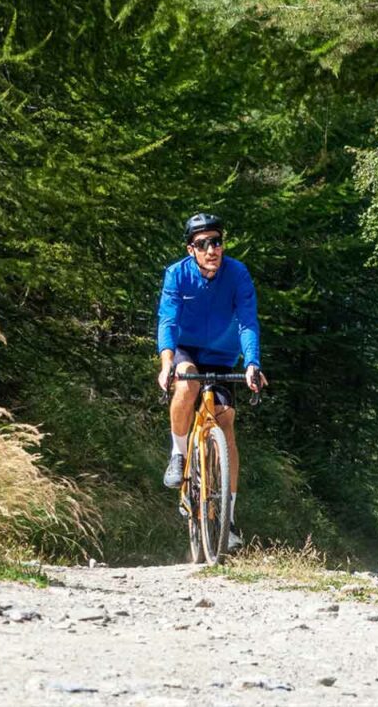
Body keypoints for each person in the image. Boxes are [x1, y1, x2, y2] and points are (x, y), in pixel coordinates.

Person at [156, 213, 265, 551]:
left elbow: (248, 322)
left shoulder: (238, 274)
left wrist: (252, 364)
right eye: (203, 244)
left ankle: (228, 519)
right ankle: (178, 454)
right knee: (187, 384)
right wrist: (166, 363)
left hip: (221, 355)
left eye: (216, 241)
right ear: (191, 249)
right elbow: (168, 320)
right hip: (187, 348)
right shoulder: (177, 274)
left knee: (225, 420)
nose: (212, 249)